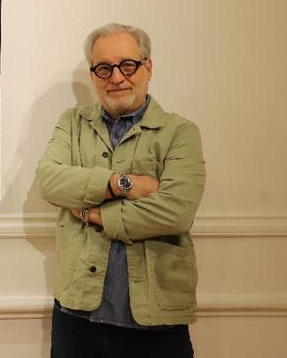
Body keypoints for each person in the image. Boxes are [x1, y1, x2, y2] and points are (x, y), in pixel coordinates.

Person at [35, 23, 206, 357]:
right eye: (104, 68)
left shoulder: (179, 132)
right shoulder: (73, 123)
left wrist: (93, 213)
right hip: (76, 315)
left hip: (156, 322)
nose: (116, 78)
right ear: (93, 75)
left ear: (148, 67)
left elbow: (176, 212)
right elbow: (49, 180)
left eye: (128, 65)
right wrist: (122, 183)